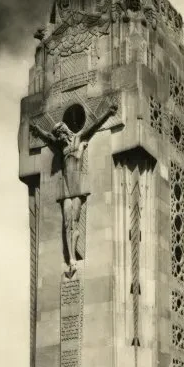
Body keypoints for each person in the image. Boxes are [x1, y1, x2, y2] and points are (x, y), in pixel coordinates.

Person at [30, 101, 118, 272]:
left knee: (75, 222)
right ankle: (71, 257)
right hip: (65, 186)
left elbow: (93, 127)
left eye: (60, 134)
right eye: (58, 136)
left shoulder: (78, 139)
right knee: (67, 222)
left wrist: (107, 113)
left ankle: (75, 256)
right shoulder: (60, 145)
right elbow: (48, 138)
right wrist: (38, 131)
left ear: (65, 131)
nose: (59, 138)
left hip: (77, 183)